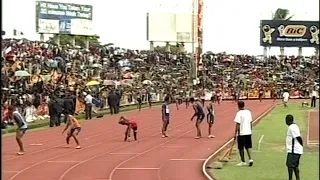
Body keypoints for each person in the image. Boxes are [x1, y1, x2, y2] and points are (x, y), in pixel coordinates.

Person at [233, 101, 253, 166]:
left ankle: (243, 161)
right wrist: (250, 130)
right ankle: (250, 159)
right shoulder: (248, 112)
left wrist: (235, 134)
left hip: (242, 133)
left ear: (238, 106)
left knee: (241, 148)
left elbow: (237, 124)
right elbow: (250, 122)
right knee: (248, 146)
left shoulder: (239, 113)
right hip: (248, 132)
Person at [285, 114, 303, 180]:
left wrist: (301, 145)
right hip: (295, 150)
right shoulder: (294, 126)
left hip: (294, 150)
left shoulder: (292, 127)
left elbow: (298, 137)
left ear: (288, 120)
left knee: (290, 165)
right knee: (295, 166)